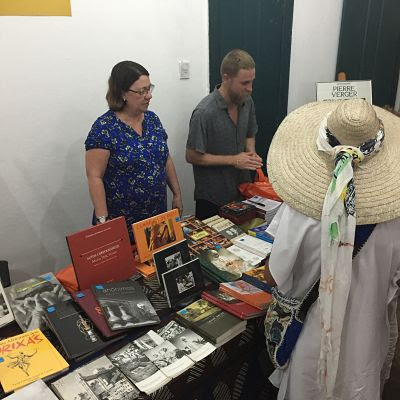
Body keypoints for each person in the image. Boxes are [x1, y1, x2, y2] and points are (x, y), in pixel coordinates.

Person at [264, 99, 400, 400]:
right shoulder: (395, 219)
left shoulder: (301, 210)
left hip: (312, 342)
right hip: (365, 343)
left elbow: (275, 276)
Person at [85, 61, 183, 241]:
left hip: (156, 218)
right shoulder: (104, 128)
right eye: (141, 91)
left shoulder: (152, 120)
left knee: (157, 264)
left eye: (149, 89)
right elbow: (94, 176)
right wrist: (103, 220)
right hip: (122, 222)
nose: (149, 96)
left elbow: (165, 158)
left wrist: (177, 194)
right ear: (122, 93)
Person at [186, 49, 263, 219]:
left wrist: (251, 151)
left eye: (252, 82)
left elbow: (250, 132)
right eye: (244, 83)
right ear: (226, 78)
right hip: (212, 199)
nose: (250, 89)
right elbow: (191, 156)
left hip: (242, 192)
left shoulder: (247, 101)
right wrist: (234, 160)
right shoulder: (204, 112)